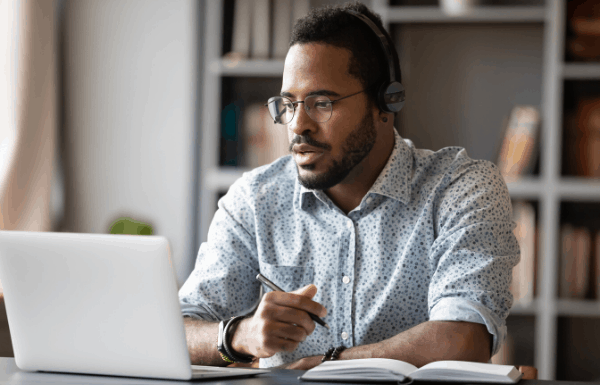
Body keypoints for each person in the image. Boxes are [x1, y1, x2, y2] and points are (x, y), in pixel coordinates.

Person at [179, 1, 520, 370]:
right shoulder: (256, 199)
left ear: (386, 102)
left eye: (322, 102)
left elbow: (462, 340)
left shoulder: (460, 188)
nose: (297, 125)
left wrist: (330, 363)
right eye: (289, 104)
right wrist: (239, 335)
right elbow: (177, 331)